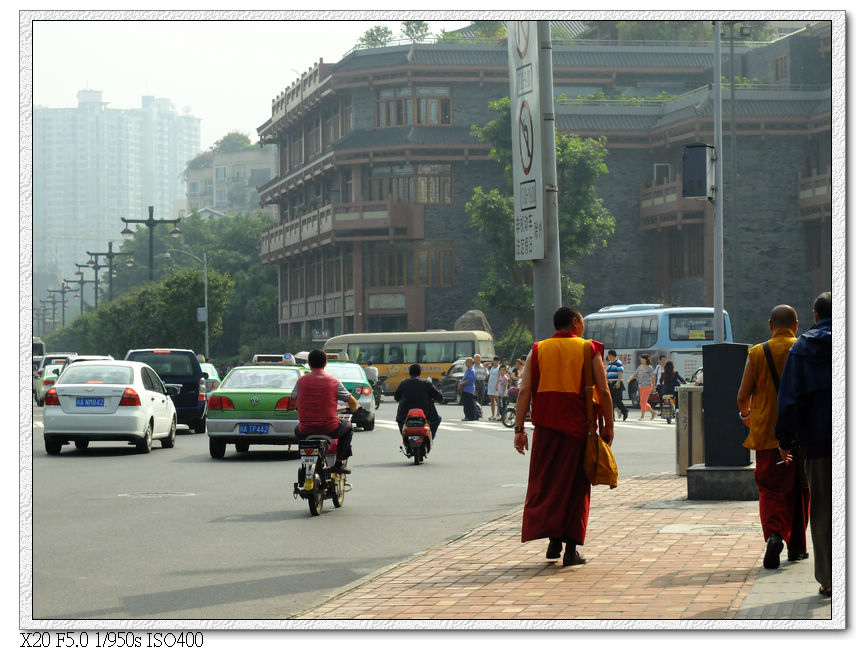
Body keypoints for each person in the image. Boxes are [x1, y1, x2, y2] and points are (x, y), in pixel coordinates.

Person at [513, 307, 614, 567]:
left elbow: (524, 391)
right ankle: (570, 549)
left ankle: (553, 542)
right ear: (575, 322)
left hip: (546, 430)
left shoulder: (538, 349)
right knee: (576, 489)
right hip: (578, 429)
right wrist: (610, 426)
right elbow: (603, 391)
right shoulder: (587, 348)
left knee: (548, 486)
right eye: (582, 321)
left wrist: (519, 429)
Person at [736, 305, 809, 570]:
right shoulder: (803, 349)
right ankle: (798, 548)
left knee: (770, 489)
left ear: (770, 325)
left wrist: (746, 416)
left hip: (767, 434)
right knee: (800, 489)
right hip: (800, 433)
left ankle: (775, 535)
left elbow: (742, 395)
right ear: (796, 325)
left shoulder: (756, 353)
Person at [775, 292, 832, 597]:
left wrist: (784, 439)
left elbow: (790, 401)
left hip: (819, 440)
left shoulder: (803, 348)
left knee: (822, 510)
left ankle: (829, 578)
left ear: (813, 315)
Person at [291, 349, 360, 474]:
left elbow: (293, 399)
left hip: (306, 429)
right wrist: (355, 408)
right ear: (325, 363)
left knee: (297, 430)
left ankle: (303, 458)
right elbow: (352, 401)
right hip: (330, 428)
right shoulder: (333, 381)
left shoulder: (301, 381)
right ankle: (338, 463)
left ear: (309, 364)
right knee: (348, 427)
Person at [394, 363, 443, 438]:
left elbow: (396, 397)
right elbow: (439, 398)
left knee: (400, 421)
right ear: (420, 373)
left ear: (409, 373)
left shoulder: (404, 383)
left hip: (404, 414)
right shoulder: (426, 383)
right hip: (426, 413)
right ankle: (430, 436)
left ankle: (404, 437)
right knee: (437, 419)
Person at [629, 354, 656, 420]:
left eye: (642, 359)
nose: (641, 360)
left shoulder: (649, 367)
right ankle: (652, 412)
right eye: (641, 359)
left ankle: (642, 416)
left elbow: (653, 377)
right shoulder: (640, 367)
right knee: (641, 402)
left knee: (643, 401)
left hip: (647, 386)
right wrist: (629, 380)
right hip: (641, 386)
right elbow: (635, 374)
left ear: (646, 359)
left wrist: (654, 387)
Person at [605, 349, 628, 421]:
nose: (608, 357)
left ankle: (624, 411)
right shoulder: (609, 364)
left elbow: (620, 373)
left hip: (616, 383)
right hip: (610, 384)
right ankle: (612, 417)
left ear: (611, 355)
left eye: (608, 355)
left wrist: (618, 382)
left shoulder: (618, 363)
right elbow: (607, 374)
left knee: (618, 400)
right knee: (610, 401)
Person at [458, 356, 478, 421]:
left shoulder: (471, 370)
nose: (466, 363)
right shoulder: (468, 370)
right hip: (466, 389)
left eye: (466, 362)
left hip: (469, 390)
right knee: (466, 403)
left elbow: (470, 380)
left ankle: (470, 416)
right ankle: (467, 416)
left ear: (470, 362)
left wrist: (462, 384)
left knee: (469, 404)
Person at [487, 356, 502, 421]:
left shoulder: (499, 368)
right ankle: (493, 414)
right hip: (490, 384)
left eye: (497, 361)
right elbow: (484, 364)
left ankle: (498, 414)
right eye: (494, 360)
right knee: (492, 400)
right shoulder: (491, 367)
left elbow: (499, 377)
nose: (495, 362)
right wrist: (491, 362)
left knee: (497, 400)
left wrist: (497, 385)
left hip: (496, 385)